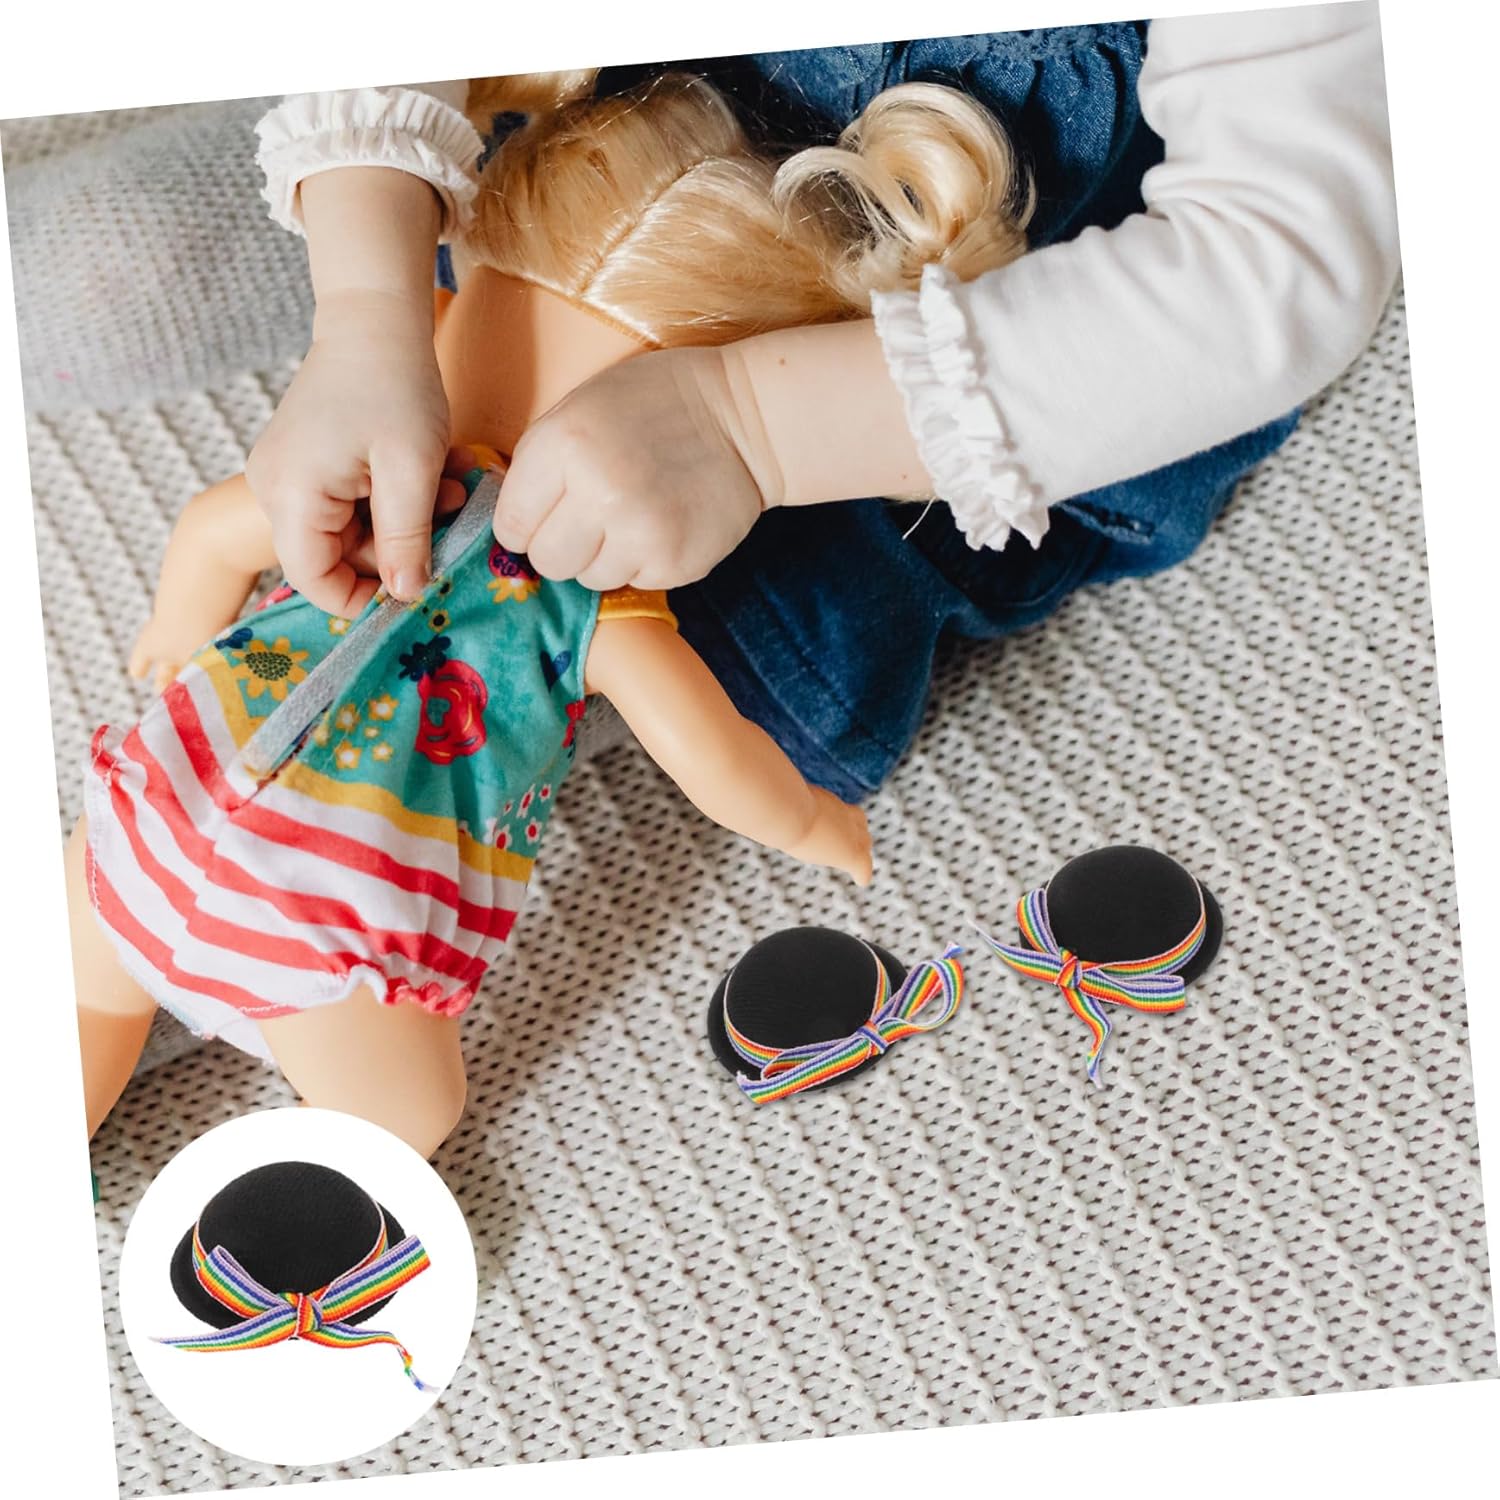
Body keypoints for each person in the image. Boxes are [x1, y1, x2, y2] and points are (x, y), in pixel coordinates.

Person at [13, 5, 1399, 798]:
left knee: (717, 687)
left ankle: (223, 916)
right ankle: (386, 210)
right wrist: (368, 298)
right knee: (102, 282)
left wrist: (752, 425)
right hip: (563, 146)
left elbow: (1278, 262)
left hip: (914, 362)